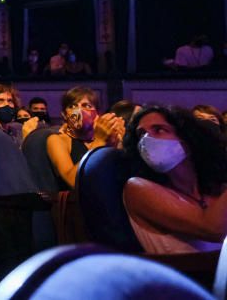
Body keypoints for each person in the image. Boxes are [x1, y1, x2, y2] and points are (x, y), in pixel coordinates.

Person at [123, 106, 227, 254]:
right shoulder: (137, 187)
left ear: (187, 138)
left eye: (159, 130)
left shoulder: (215, 187)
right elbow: (214, 229)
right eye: (141, 134)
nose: (146, 140)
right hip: (197, 274)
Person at [46, 87, 123, 189]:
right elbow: (72, 181)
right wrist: (99, 141)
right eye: (72, 106)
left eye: (86, 106)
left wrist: (121, 143)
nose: (79, 111)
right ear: (64, 115)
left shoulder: (107, 139)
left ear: (97, 114)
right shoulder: (57, 140)